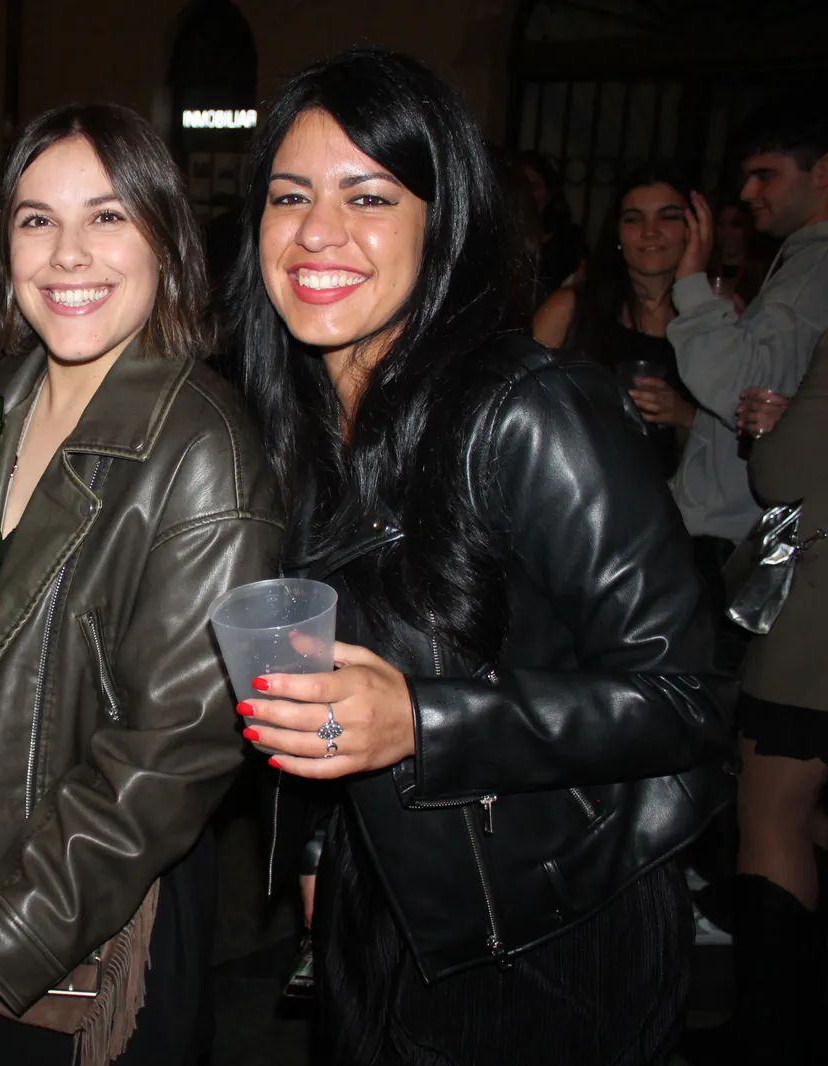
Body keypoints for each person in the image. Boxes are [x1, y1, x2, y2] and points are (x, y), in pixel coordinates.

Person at [229, 49, 729, 1065]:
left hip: (550, 933)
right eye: (289, 195)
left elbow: (688, 697)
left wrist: (423, 721)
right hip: (384, 911)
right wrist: (321, 844)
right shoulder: (295, 426)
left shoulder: (530, 410)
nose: (317, 231)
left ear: (441, 221)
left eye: (369, 196)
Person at [0, 103, 283, 1066]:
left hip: (71, 922)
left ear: (164, 239)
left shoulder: (204, 449)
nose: (67, 254)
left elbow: (170, 759)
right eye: (37, 219)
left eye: (108, 216)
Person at [698, 331, 828, 1066]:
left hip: (817, 638)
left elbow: (783, 473)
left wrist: (779, 431)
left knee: (773, 815)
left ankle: (769, 1035)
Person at [667, 102, 828, 626]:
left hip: (737, 537)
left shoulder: (816, 266)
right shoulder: (801, 260)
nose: (747, 193)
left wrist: (691, 284)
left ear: (822, 173)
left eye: (766, 175)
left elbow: (748, 389)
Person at [532, 165, 698, 476]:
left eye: (668, 217)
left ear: (694, 229)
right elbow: (515, 403)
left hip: (674, 496)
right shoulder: (572, 308)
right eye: (633, 219)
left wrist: (685, 415)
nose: (650, 231)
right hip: (576, 486)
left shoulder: (711, 323)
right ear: (618, 233)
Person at [517, 150, 586, 300]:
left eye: (534, 186)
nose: (527, 194)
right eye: (521, 186)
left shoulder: (569, 242)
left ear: (549, 193)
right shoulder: (497, 241)